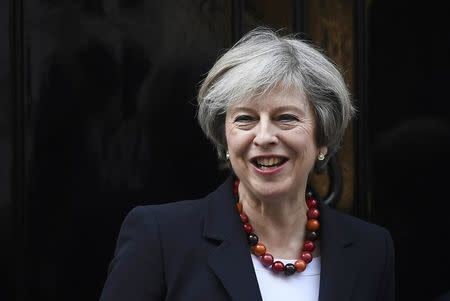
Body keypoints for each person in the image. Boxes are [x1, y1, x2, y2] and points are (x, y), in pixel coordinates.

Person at [99, 27, 394, 301]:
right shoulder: (161, 238)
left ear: (322, 139)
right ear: (225, 139)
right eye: (245, 119)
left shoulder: (370, 249)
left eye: (286, 118)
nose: (264, 136)